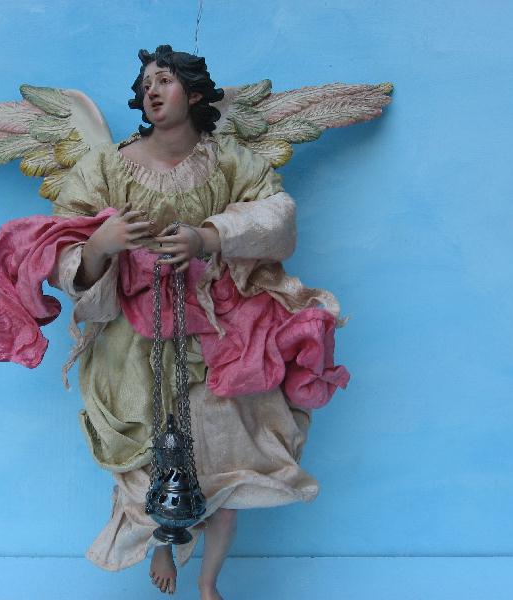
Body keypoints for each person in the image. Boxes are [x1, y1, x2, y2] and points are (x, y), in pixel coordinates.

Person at [49, 45, 343, 599]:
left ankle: (208, 580)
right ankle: (163, 539)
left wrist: (210, 237)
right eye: (146, 84)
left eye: (165, 80)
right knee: (149, 456)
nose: (152, 91)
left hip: (216, 334)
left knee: (227, 460)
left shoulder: (230, 160)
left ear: (197, 93)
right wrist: (99, 245)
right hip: (135, 341)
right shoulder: (107, 166)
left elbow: (277, 214)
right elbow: (61, 242)